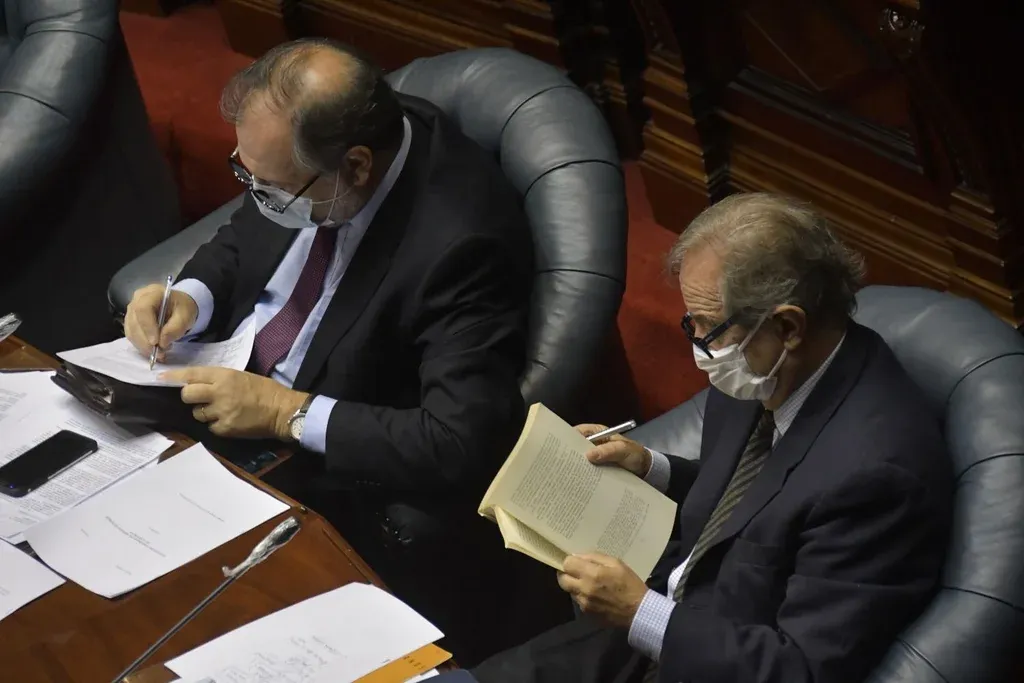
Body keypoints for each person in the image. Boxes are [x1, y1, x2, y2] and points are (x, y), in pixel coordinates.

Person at [121, 38, 565, 664]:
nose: (257, 193)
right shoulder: (303, 157)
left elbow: (458, 440)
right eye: (246, 174)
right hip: (208, 393)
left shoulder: (461, 246)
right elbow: (246, 232)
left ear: (357, 168)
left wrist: (285, 413)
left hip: (308, 466)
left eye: (272, 185)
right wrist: (192, 297)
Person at [470, 193, 953, 683]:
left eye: (707, 327)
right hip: (657, 626)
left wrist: (639, 612)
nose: (698, 346)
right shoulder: (766, 370)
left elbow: (798, 670)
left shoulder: (877, 478)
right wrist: (652, 468)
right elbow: (761, 500)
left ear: (788, 325)